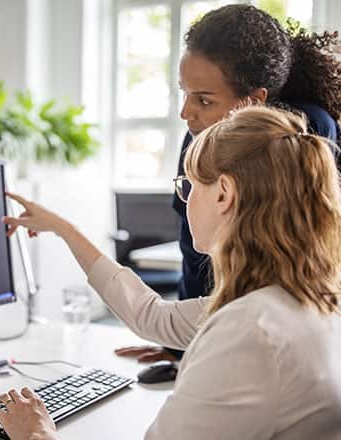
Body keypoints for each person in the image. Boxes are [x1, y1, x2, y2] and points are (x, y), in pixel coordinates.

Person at [0, 105, 341, 439]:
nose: (185, 201)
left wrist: (38, 434)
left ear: (223, 195)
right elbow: (154, 316)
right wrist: (65, 230)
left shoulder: (248, 332)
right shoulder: (304, 297)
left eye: (189, 187)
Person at [115, 3, 341, 364]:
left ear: (255, 100)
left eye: (204, 99)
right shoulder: (198, 137)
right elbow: (195, 256)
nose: (186, 112)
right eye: (184, 93)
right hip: (230, 332)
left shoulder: (307, 133)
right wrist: (181, 346)